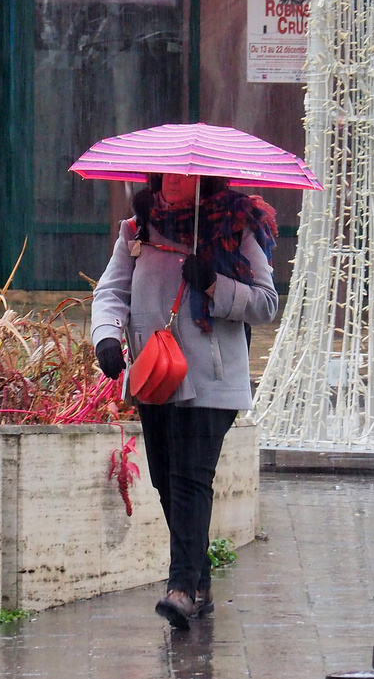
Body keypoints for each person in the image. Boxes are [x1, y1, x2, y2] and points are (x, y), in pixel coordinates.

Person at [90, 171, 278, 630]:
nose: (173, 182)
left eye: (184, 176)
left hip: (211, 380)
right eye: (167, 175)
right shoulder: (137, 228)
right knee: (165, 481)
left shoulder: (234, 224)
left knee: (191, 479)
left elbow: (267, 303)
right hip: (156, 374)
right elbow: (111, 292)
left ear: (204, 179)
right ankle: (201, 580)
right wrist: (107, 337)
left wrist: (214, 284)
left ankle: (181, 588)